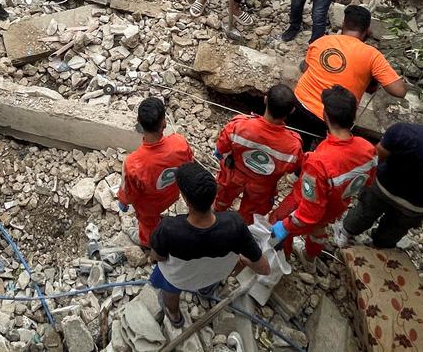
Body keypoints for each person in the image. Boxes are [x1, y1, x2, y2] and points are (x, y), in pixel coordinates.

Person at [340, 91, 423, 249]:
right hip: (419, 205)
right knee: (396, 228)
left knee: (365, 211)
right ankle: (380, 246)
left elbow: (376, 158)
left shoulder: (404, 131)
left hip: (384, 187)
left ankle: (345, 234)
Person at [149, 162, 271, 329]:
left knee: (166, 283)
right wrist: (243, 259)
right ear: (214, 195)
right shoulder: (234, 224)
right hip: (216, 275)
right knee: (212, 269)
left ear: (185, 199)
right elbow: (264, 269)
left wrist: (152, 258)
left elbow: (157, 257)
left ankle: (174, 315)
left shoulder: (169, 228)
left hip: (178, 279)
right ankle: (205, 290)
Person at [269, 86, 376, 260]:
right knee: (319, 229)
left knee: (277, 219)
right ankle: (310, 259)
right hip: (337, 206)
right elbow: (368, 180)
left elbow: (308, 214)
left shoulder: (319, 161)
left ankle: (284, 257)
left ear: (325, 115)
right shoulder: (367, 148)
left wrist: (286, 226)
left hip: (312, 204)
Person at [290, 5, 406, 150]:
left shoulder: (322, 41)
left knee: (295, 146)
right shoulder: (372, 55)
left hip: (299, 104)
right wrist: (371, 76)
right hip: (333, 120)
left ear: (343, 24)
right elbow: (400, 91)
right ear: (367, 30)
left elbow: (305, 69)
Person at [213, 84, 304, 223]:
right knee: (250, 215)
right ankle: (240, 229)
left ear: (265, 100)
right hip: (262, 188)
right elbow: (292, 169)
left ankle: (216, 217)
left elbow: (221, 149)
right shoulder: (293, 146)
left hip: (233, 175)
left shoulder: (240, 125)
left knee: (222, 198)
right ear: (291, 111)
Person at [117, 97, 195, 247]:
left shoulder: (134, 163)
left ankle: (149, 243)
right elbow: (188, 168)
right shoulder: (180, 143)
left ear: (139, 122)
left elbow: (129, 190)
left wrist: (123, 200)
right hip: (171, 195)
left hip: (149, 207)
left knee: (148, 225)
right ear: (164, 123)